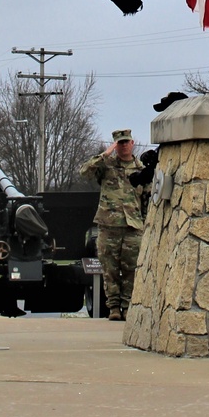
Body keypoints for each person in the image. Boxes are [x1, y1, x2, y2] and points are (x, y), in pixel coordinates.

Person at [79, 128, 144, 320]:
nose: (124, 146)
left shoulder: (141, 169)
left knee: (131, 269)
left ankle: (127, 306)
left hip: (133, 226)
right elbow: (84, 171)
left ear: (132, 144)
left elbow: (148, 196)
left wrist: (145, 222)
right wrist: (105, 154)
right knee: (110, 269)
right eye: (120, 143)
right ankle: (114, 307)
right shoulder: (106, 167)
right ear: (115, 146)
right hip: (109, 225)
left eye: (126, 142)